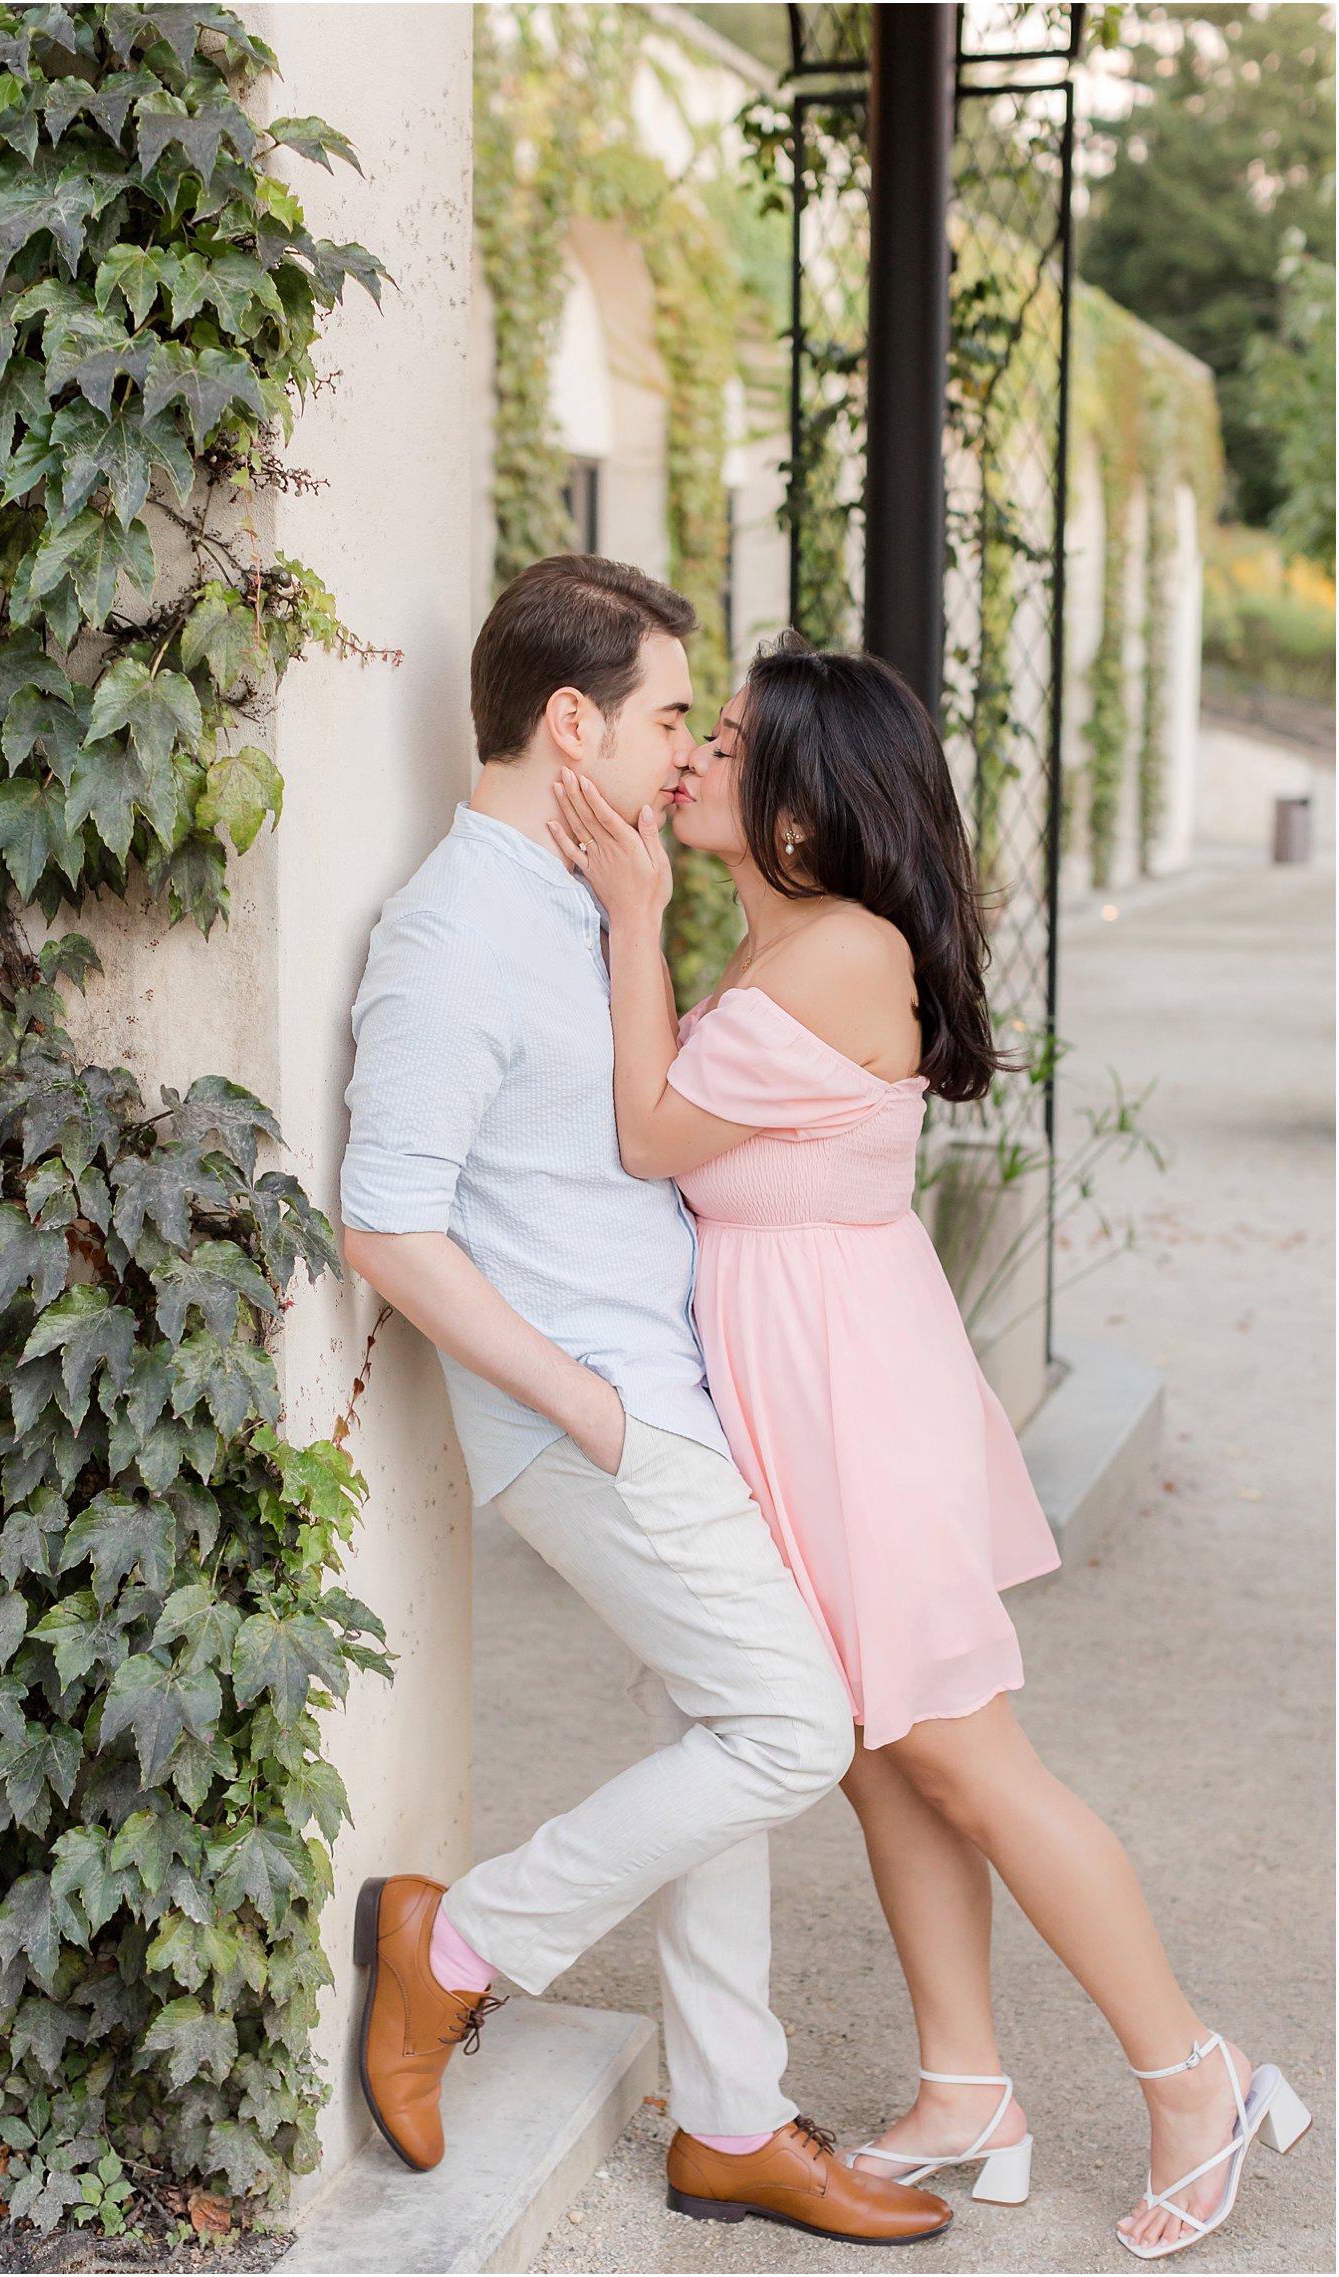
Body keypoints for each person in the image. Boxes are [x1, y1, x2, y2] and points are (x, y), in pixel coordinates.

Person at [547, 630, 1310, 2263]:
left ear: (806, 813)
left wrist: (629, 916)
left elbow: (646, 1133)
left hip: (857, 1406)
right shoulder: (783, 946)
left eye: (735, 738)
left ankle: (1199, 2078)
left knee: (969, 1757)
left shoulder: (836, 952)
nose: (696, 754)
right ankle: (967, 2085)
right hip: (815, 1389)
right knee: (886, 1756)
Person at [335, 557, 951, 2246]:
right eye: (674, 717)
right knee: (789, 1724)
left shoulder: (580, 897)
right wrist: (587, 1404)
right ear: (570, 721)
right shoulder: (454, 931)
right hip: (600, 1413)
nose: (693, 754)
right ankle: (455, 1946)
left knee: (720, 1728)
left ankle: (733, 2120)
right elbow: (386, 1216)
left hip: (673, 1393)